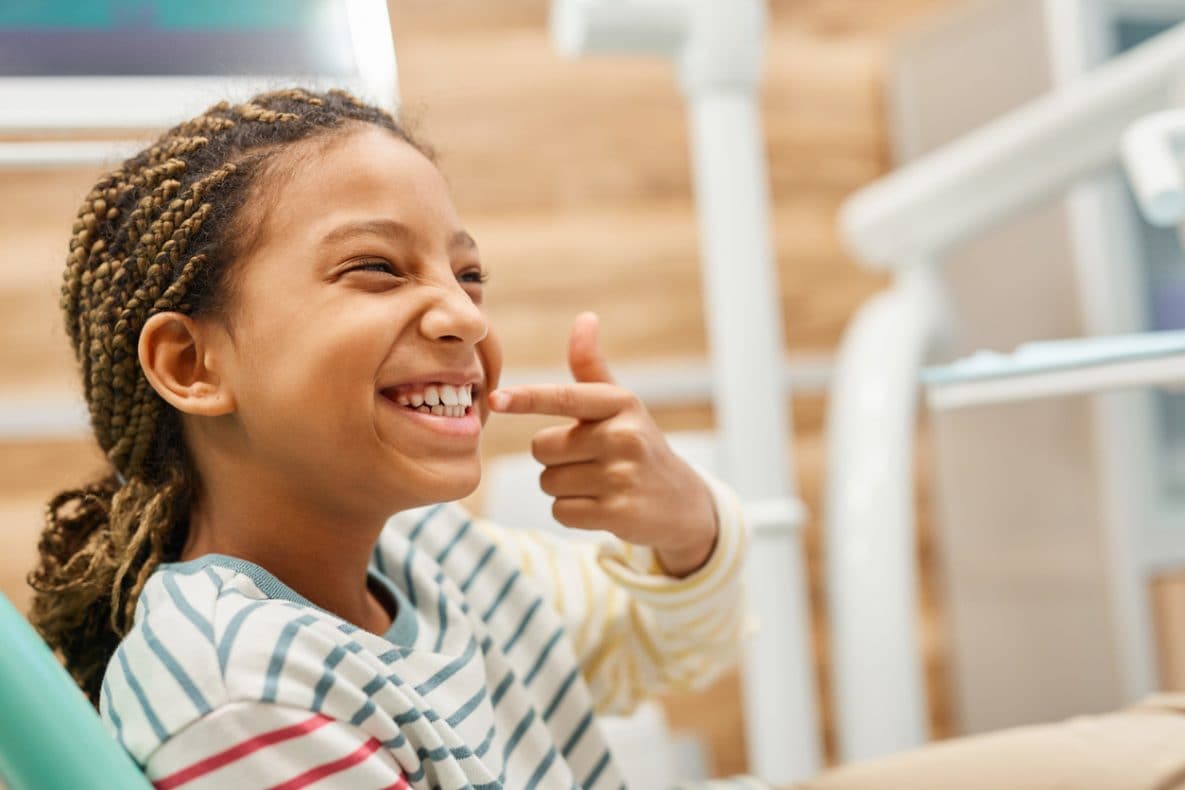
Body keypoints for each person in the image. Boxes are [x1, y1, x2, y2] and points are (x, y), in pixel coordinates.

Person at [26, 87, 761, 788]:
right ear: (192, 365)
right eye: (376, 267)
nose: (467, 317)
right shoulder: (238, 694)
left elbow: (657, 643)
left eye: (469, 275)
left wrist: (683, 521)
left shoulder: (433, 555)